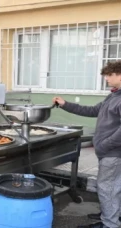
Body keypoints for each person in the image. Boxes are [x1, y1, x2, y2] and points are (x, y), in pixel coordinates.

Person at [53, 61, 121, 228]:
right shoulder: (113, 95)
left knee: (107, 188)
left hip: (113, 152)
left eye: (109, 75)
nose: (106, 79)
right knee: (113, 187)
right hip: (109, 151)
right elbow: (92, 111)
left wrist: (104, 145)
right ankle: (110, 214)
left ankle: (110, 224)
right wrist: (65, 104)